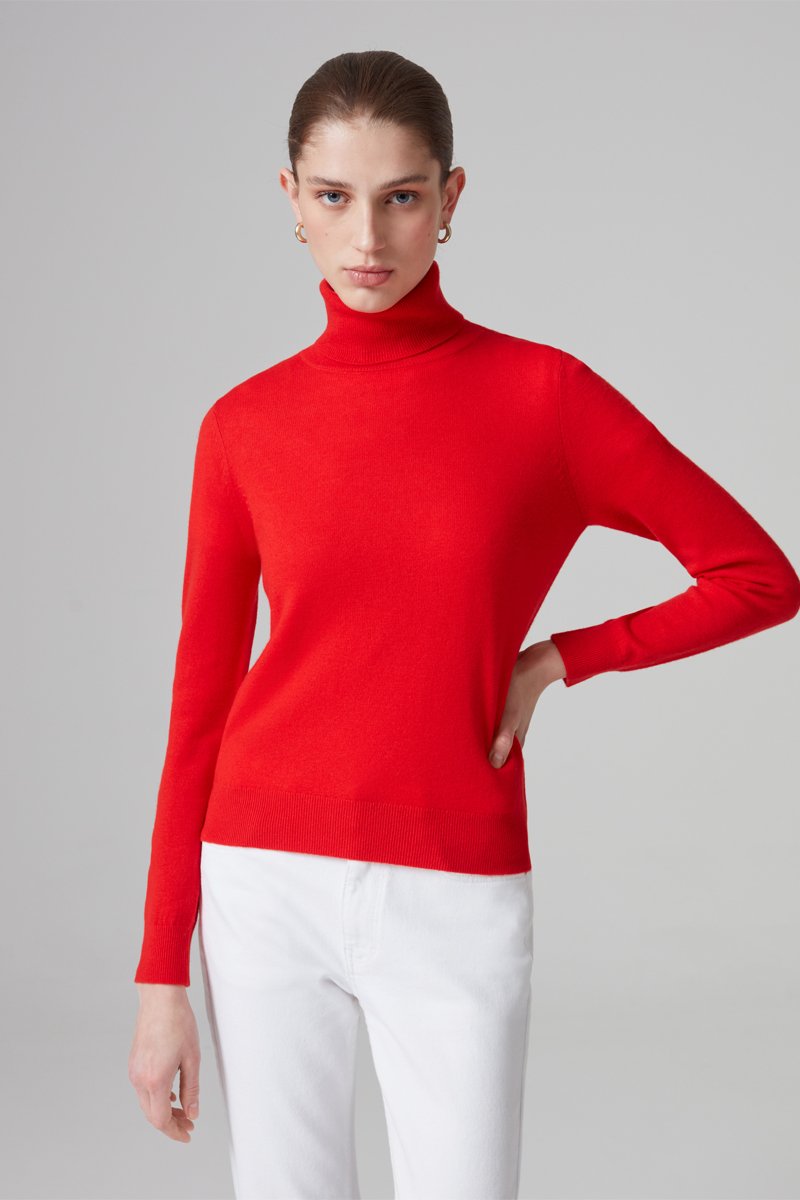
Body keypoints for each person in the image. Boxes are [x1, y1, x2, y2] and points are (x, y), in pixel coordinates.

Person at [128, 49, 800, 1200]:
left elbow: (757, 576)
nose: (367, 238)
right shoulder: (242, 426)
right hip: (260, 876)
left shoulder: (542, 398)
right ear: (290, 199)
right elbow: (199, 706)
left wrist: (558, 661)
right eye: (334, 196)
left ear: (450, 197)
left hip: (450, 882)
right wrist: (159, 979)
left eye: (400, 196)